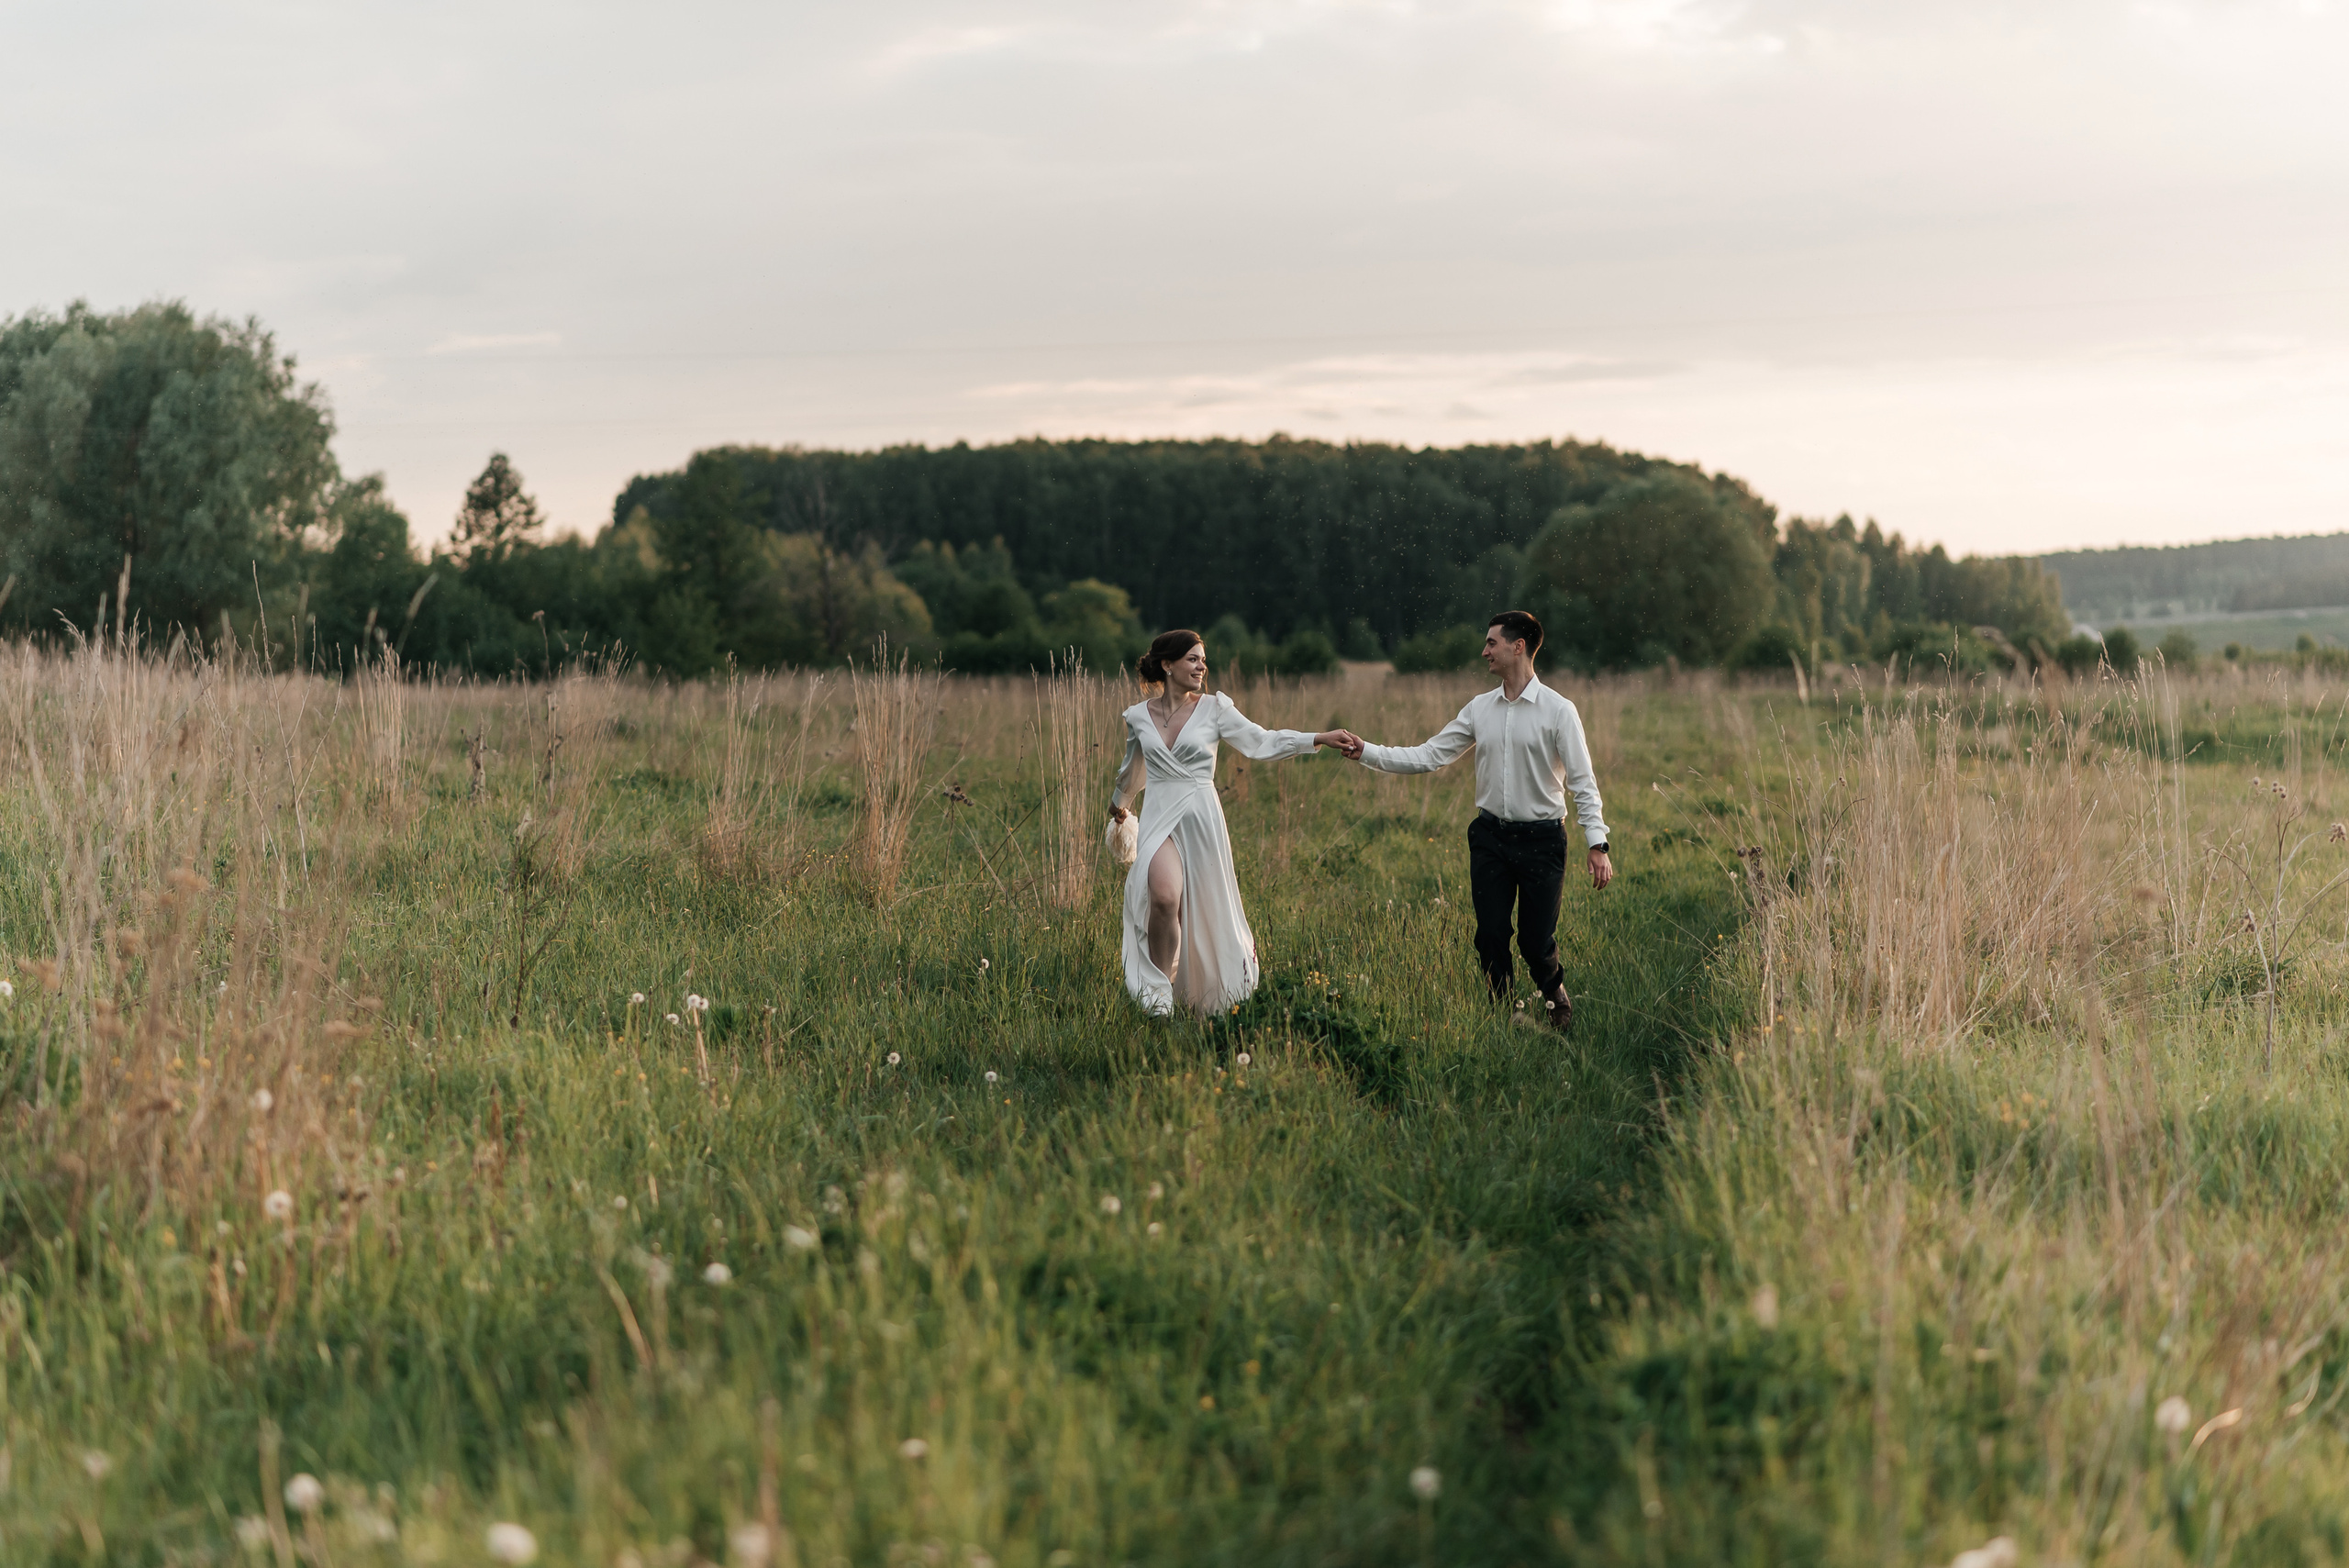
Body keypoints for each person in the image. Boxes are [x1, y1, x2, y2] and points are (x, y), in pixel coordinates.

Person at [1347, 610, 1611, 1029]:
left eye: (1492, 643)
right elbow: (1430, 755)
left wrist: (1597, 843)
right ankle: (1504, 1013)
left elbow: (1583, 782)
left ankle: (1554, 991)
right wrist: (1368, 752)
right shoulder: (1479, 709)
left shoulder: (1559, 711)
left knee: (1534, 940)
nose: (1484, 651)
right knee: (1490, 935)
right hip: (1490, 836)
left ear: (1518, 646)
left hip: (1543, 840)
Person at [1109, 629, 1362, 1017]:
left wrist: (1319, 738)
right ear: (1167, 665)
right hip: (1160, 817)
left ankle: (1195, 994)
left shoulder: (1215, 709)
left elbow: (1262, 741)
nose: (1201, 666)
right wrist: (1119, 807)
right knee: (1162, 897)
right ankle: (1157, 999)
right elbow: (1133, 770)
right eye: (1193, 658)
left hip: (1201, 818)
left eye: (1202, 659)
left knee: (1205, 910)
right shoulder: (1138, 716)